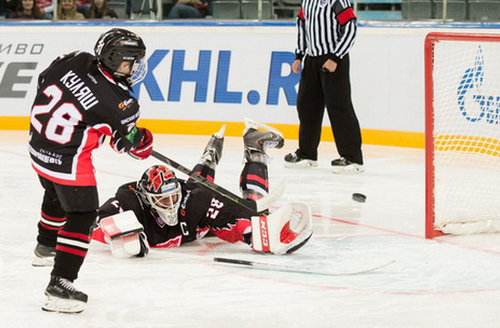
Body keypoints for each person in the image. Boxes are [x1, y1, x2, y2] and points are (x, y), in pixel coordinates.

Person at [29, 28, 152, 313]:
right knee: (82, 215)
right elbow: (128, 146)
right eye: (130, 61)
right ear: (114, 59)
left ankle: (45, 246)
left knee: (55, 193)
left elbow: (43, 80)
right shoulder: (121, 104)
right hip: (69, 160)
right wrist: (144, 140)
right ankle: (60, 285)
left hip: (37, 147)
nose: (135, 67)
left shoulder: (74, 58)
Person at [92, 119, 313, 258]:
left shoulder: (196, 202)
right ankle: (210, 155)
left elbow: (234, 225)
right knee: (198, 188)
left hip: (203, 221)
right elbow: (95, 223)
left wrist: (256, 233)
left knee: (254, 208)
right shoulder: (130, 201)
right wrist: (119, 233)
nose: (170, 204)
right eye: (163, 200)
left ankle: (256, 149)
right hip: (194, 202)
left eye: (173, 197)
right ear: (147, 198)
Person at [283, 0, 364, 174]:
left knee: (339, 107)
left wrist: (336, 57)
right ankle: (307, 154)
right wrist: (299, 54)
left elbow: (350, 28)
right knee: (307, 106)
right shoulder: (307, 2)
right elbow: (302, 25)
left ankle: (353, 158)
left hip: (333, 58)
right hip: (312, 59)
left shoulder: (337, 1)